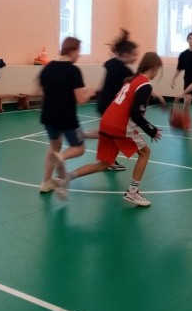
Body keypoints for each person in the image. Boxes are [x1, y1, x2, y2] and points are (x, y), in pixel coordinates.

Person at [53, 52, 163, 207]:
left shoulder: (132, 80)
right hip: (120, 126)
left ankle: (66, 178)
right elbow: (135, 114)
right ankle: (132, 193)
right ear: (154, 68)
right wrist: (151, 130)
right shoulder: (145, 85)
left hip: (107, 121)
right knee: (145, 153)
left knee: (104, 164)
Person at [38, 37, 96, 193]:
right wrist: (89, 93)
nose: (79, 55)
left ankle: (46, 182)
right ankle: (61, 158)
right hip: (66, 118)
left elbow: (43, 89)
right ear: (72, 50)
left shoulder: (48, 68)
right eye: (78, 52)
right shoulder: (73, 71)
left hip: (47, 116)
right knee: (79, 148)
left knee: (54, 147)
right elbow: (80, 100)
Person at [87, 29, 140, 171]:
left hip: (102, 101)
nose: (136, 57)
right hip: (109, 106)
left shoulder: (111, 63)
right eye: (134, 54)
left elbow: (108, 73)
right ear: (125, 54)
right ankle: (83, 135)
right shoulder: (125, 71)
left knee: (108, 133)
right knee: (109, 133)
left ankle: (109, 160)